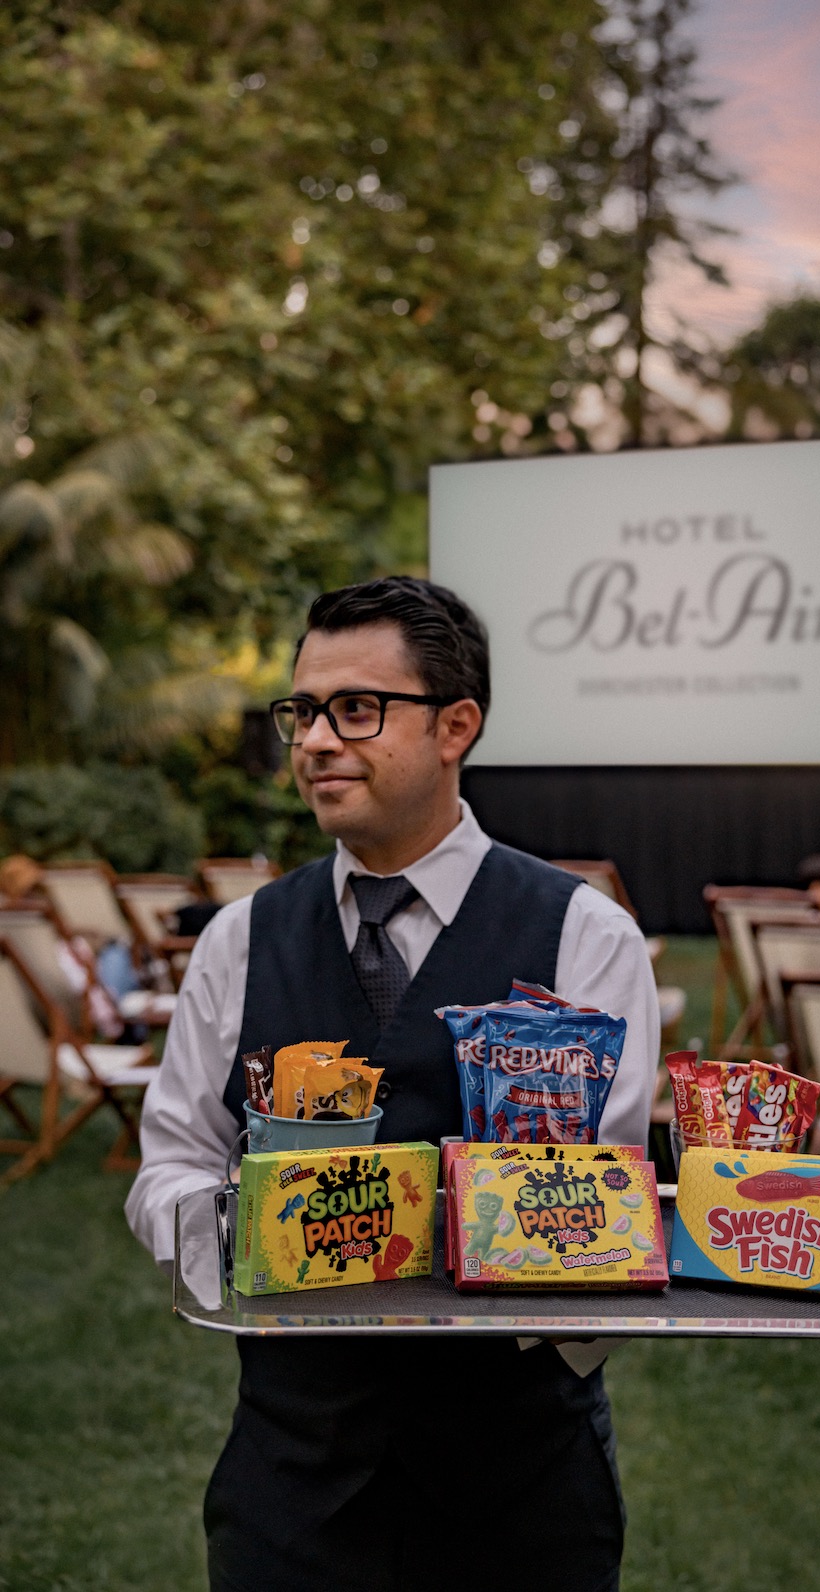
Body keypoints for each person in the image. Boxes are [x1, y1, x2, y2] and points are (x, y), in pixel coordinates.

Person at [126, 576, 659, 1592]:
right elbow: (173, 1161)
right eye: (303, 711)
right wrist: (235, 1233)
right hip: (291, 1472)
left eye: (356, 709)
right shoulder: (239, 940)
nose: (316, 739)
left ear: (456, 724)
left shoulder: (584, 936)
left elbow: (608, 1192)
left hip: (517, 1479)